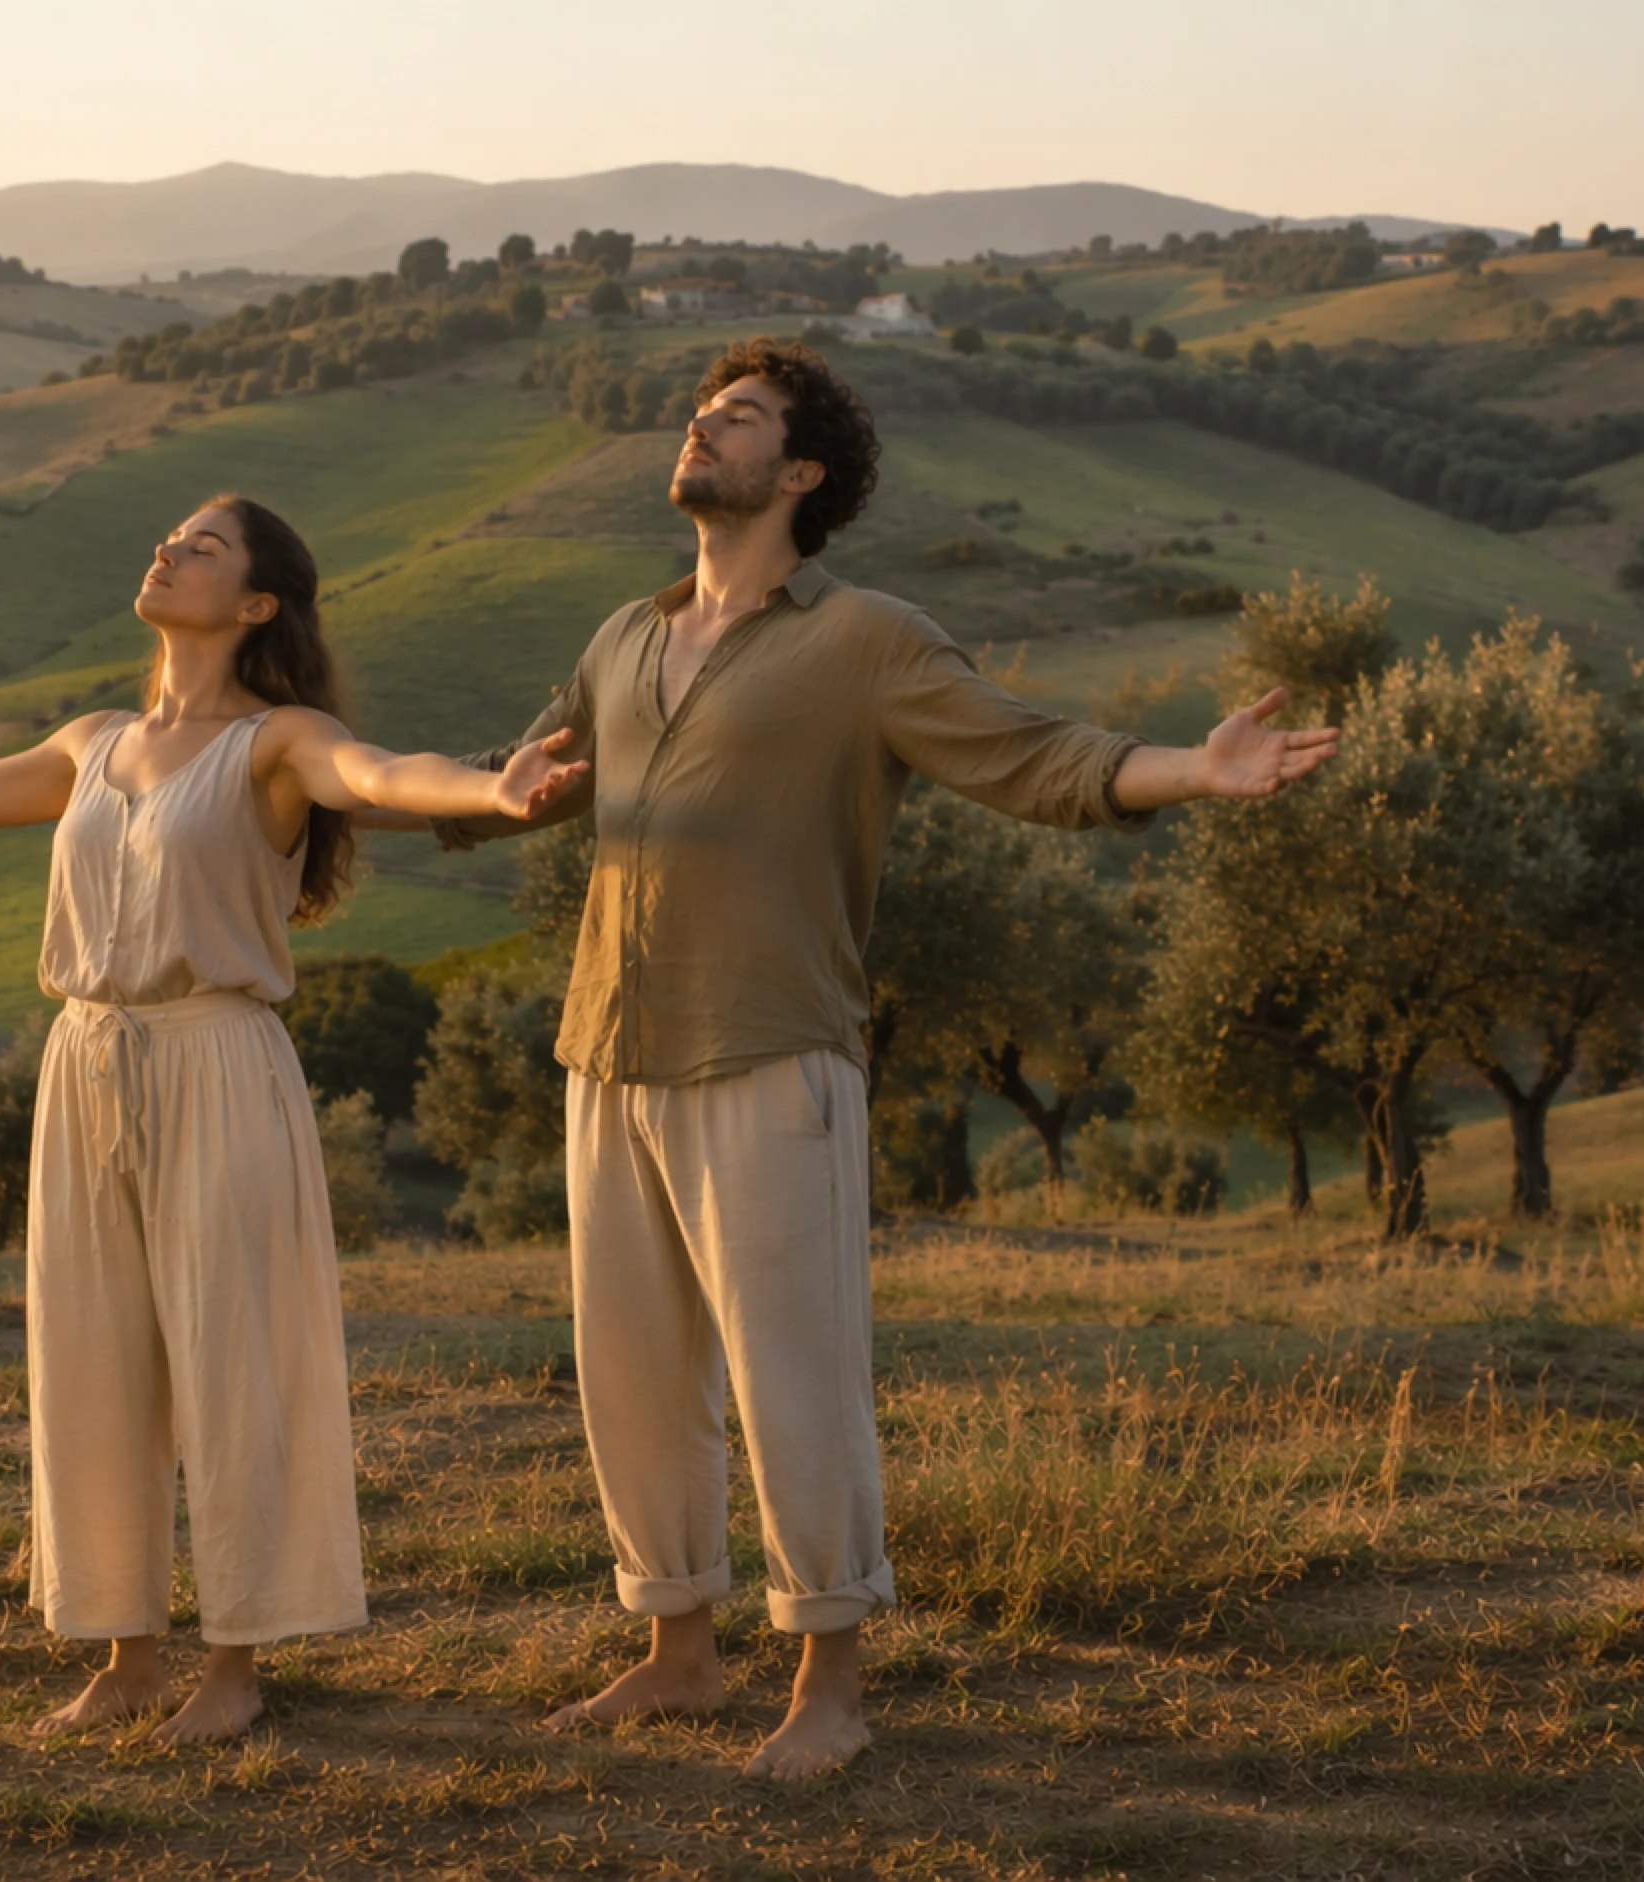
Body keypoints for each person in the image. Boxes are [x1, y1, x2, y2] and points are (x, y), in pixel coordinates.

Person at [424, 337, 1339, 1779]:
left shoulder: (867, 641)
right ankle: (678, 1652)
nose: (702, 427)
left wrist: (1190, 768)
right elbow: (522, 780)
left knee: (798, 1380)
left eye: (739, 418)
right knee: (634, 1377)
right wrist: (352, 790)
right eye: (702, 410)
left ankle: (829, 1681)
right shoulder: (622, 636)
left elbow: (1029, 756)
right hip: (607, 1048)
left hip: (773, 1050)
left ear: (800, 474)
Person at [0, 494, 585, 1743]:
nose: (167, 549)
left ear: (255, 605)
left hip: (216, 1060)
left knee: (235, 1362)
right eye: (168, 533)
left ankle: (234, 1661)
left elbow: (381, 774)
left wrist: (493, 791)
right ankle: (124, 1651)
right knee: (93, 1357)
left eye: (203, 547)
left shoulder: (280, 739)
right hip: (84, 1063)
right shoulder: (93, 738)